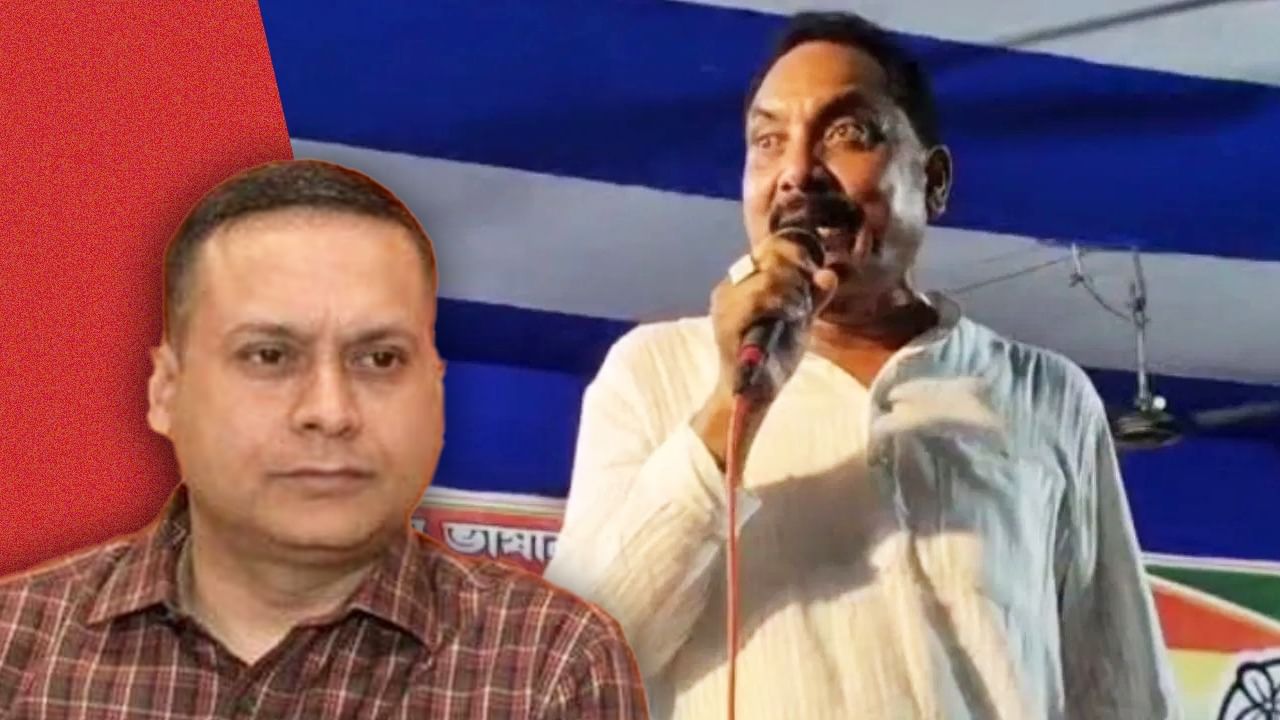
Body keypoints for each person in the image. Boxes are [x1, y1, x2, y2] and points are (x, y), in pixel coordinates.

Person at [544, 11, 1179, 720]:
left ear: (933, 180)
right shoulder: (655, 371)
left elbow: (1120, 687)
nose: (796, 173)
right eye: (767, 141)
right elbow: (575, 664)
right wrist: (729, 405)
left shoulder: (1046, 395)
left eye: (847, 132)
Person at [0, 160, 647, 719]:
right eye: (269, 356)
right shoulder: (16, 646)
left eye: (380, 359)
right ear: (167, 391)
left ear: (436, 390)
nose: (330, 412)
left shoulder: (550, 665)